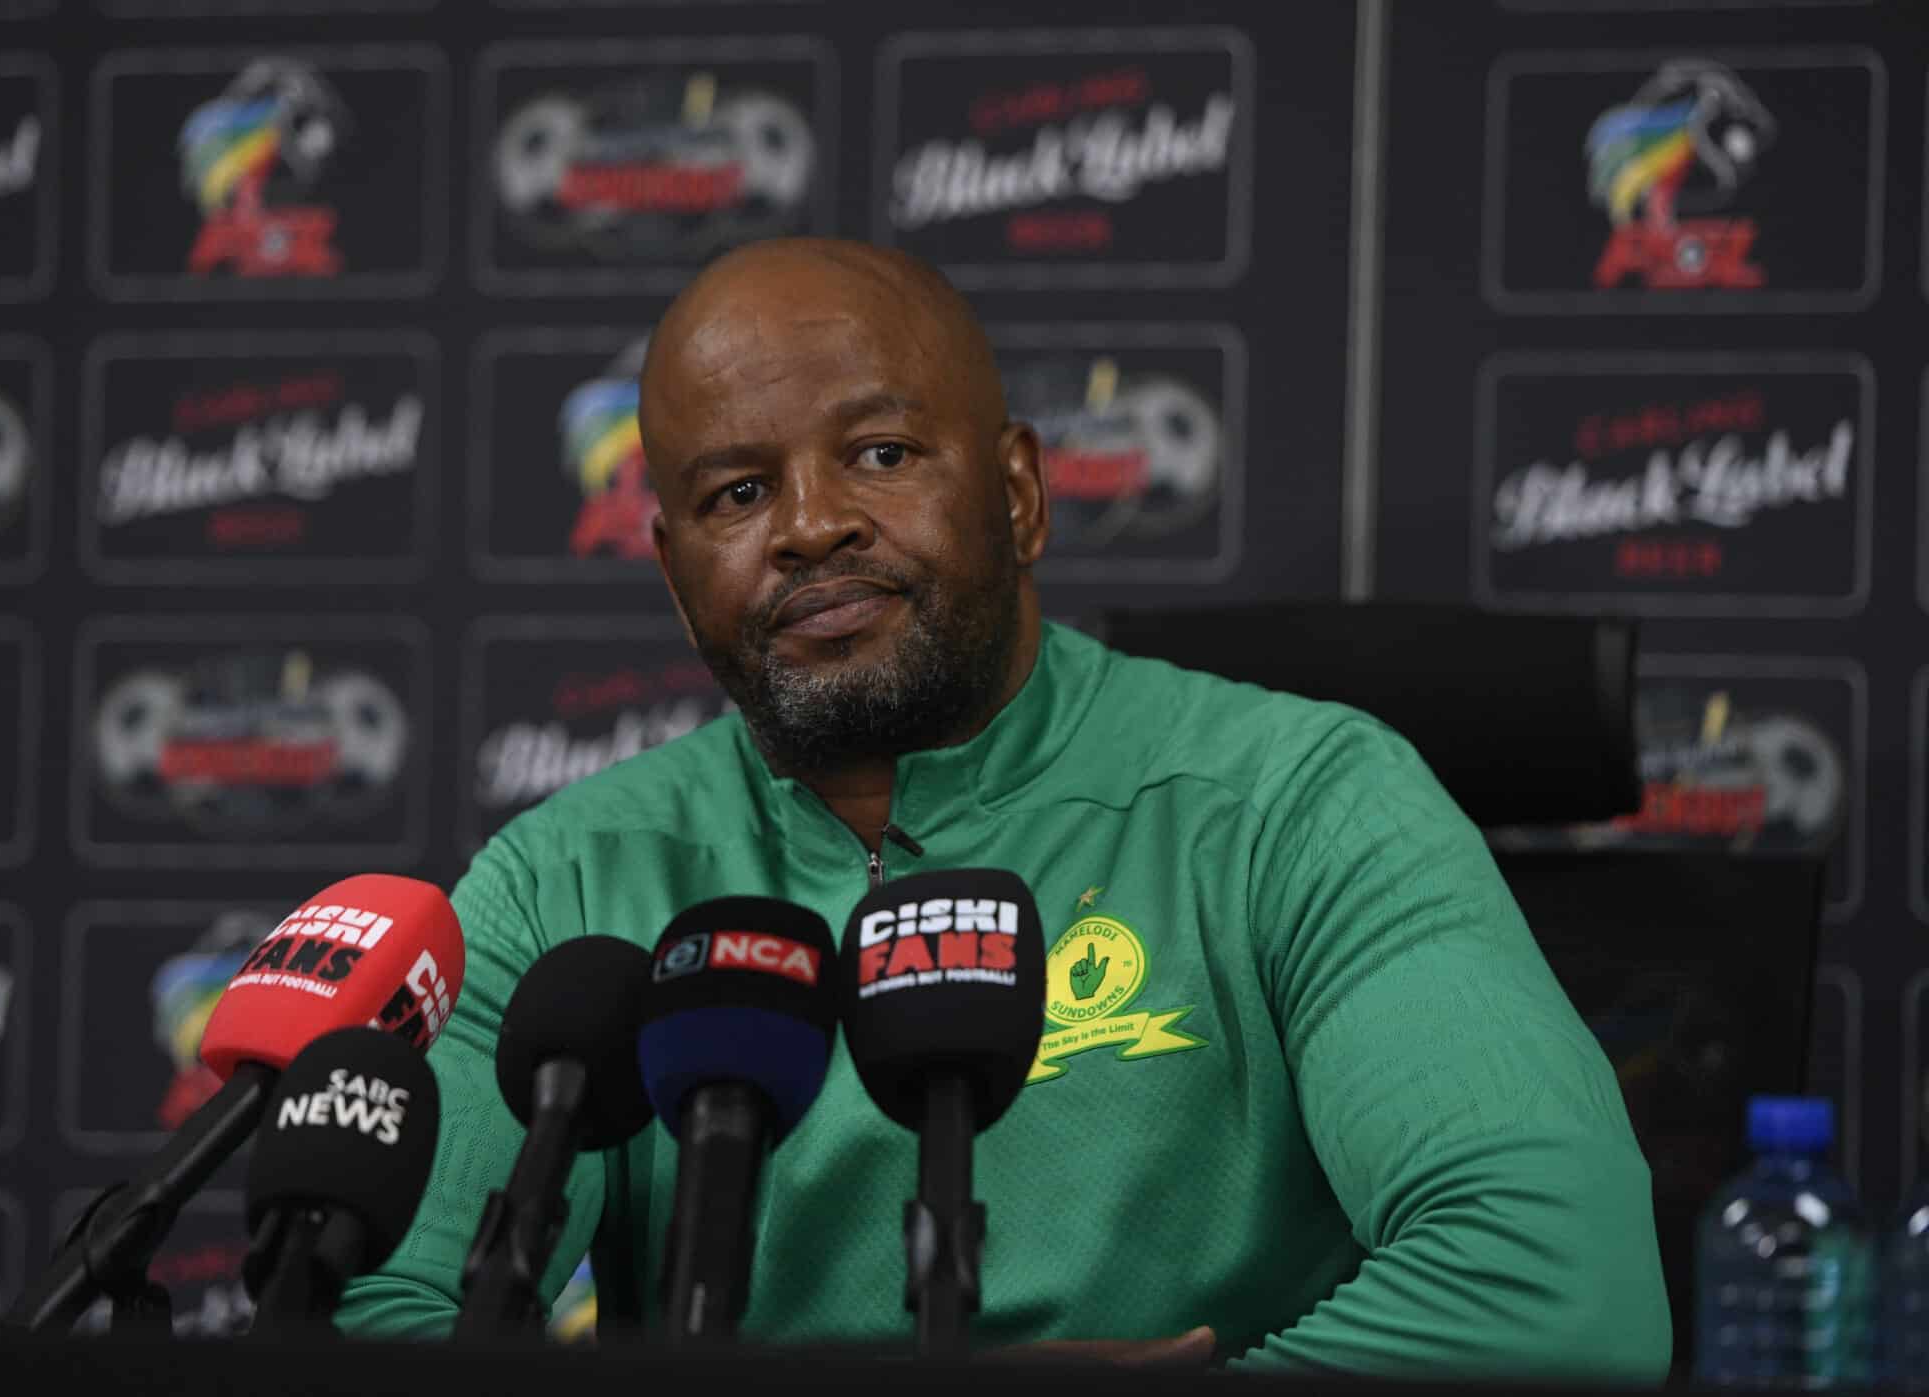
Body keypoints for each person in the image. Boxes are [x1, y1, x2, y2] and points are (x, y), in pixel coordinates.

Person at [335, 237, 1672, 1379]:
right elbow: (366, 1316)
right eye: (739, 494)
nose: (810, 525)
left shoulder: (1298, 798)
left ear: (1022, 496)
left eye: (879, 451)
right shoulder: (568, 886)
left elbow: (1558, 1279)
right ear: (680, 578)